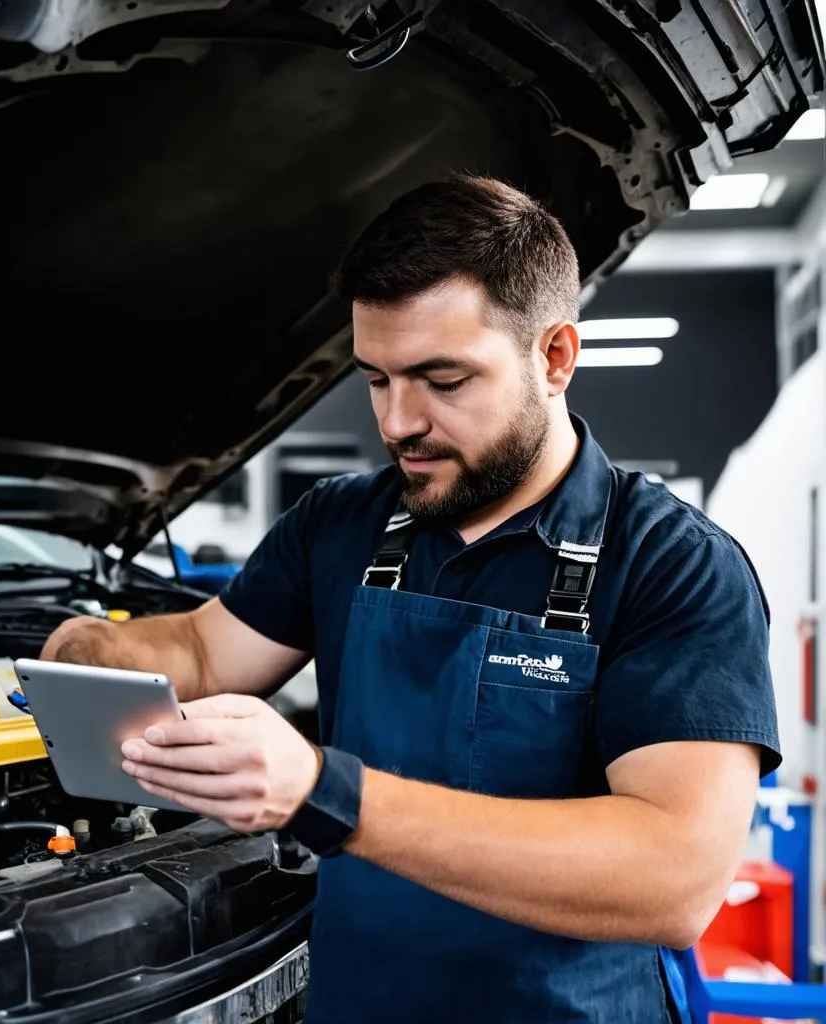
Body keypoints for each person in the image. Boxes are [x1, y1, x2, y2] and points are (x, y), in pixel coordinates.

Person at [40, 174, 780, 1023]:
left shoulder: (670, 565)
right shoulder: (342, 524)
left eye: (442, 379)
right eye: (378, 380)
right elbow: (207, 654)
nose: (397, 423)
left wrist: (328, 792)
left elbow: (674, 879)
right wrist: (87, 648)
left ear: (555, 358)